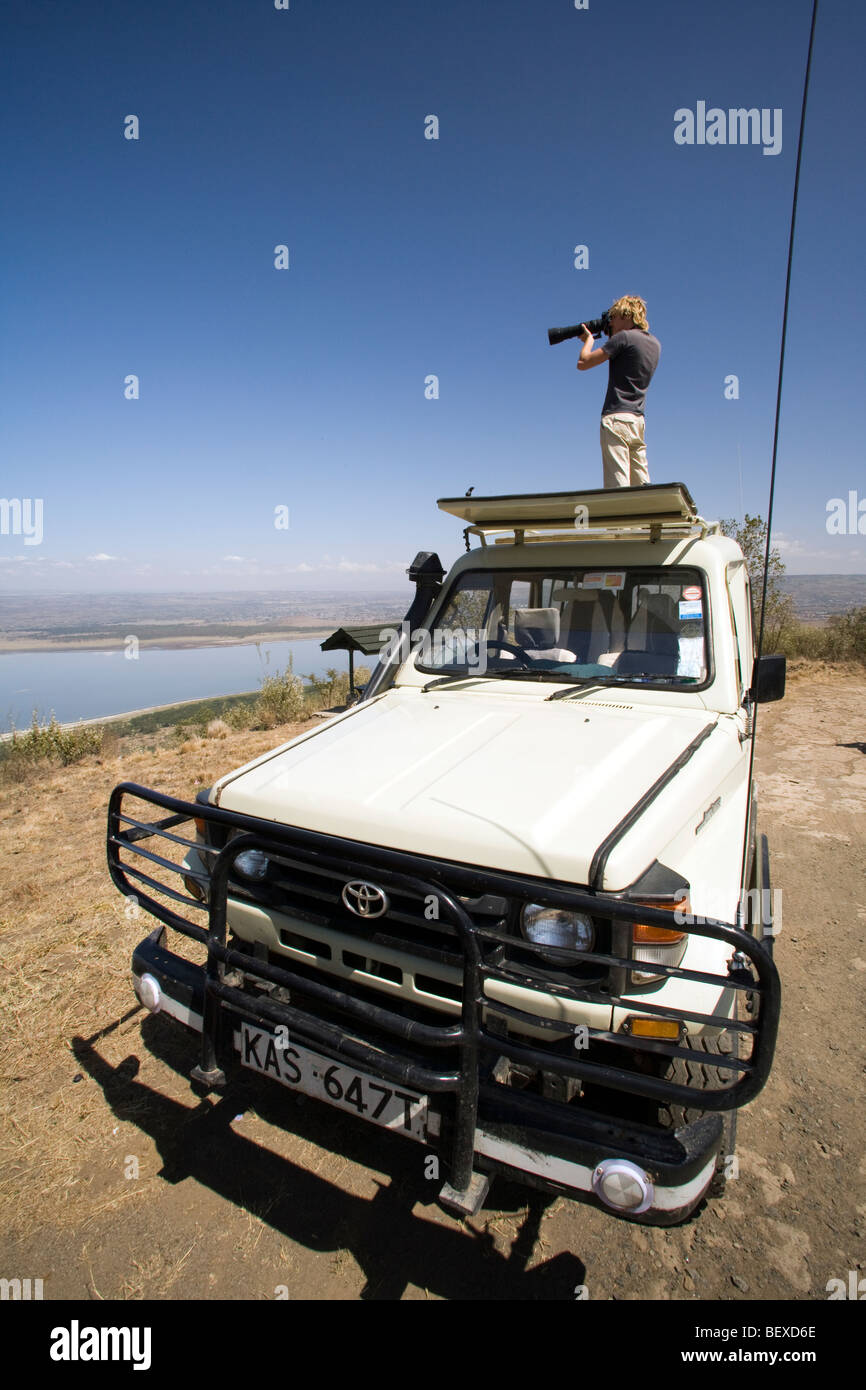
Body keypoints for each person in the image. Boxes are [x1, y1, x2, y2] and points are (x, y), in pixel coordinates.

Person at [576, 295, 661, 488]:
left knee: (618, 488)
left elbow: (583, 363)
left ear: (627, 316)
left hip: (616, 419)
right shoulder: (655, 344)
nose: (611, 322)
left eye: (614, 317)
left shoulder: (623, 338)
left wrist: (588, 340)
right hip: (638, 421)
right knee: (642, 487)